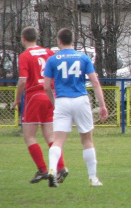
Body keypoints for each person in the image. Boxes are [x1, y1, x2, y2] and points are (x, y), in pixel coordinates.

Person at [43, 28, 108, 188]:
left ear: (59, 41)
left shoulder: (53, 59)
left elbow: (46, 87)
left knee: (58, 140)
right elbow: (95, 82)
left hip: (62, 100)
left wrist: (54, 102)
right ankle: (92, 178)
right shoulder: (83, 57)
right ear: (73, 40)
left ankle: (52, 169)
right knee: (87, 140)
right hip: (80, 99)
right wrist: (102, 105)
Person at [13, 26, 69, 184]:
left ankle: (42, 169)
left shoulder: (25, 56)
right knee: (50, 136)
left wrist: (17, 99)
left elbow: (23, 80)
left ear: (23, 38)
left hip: (34, 96)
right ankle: (61, 167)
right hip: (50, 95)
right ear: (36, 38)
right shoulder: (49, 52)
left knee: (29, 136)